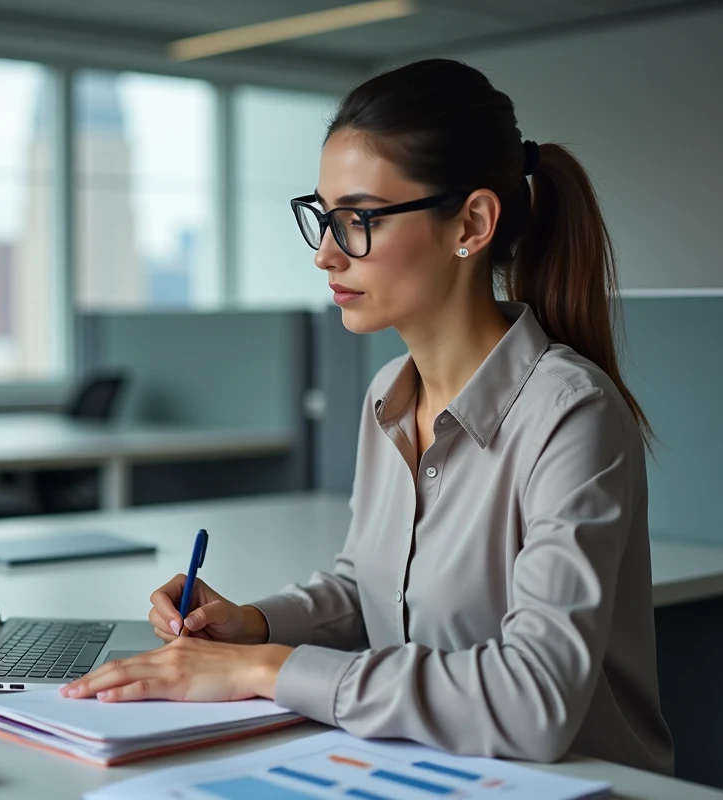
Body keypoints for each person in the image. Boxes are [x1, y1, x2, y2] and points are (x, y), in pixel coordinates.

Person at [61, 58, 675, 774]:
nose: (325, 254)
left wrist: (266, 671)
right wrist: (251, 626)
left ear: (471, 223)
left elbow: (532, 701)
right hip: (431, 770)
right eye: (323, 218)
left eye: (357, 220)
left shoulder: (572, 415)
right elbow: (370, 586)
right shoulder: (390, 393)